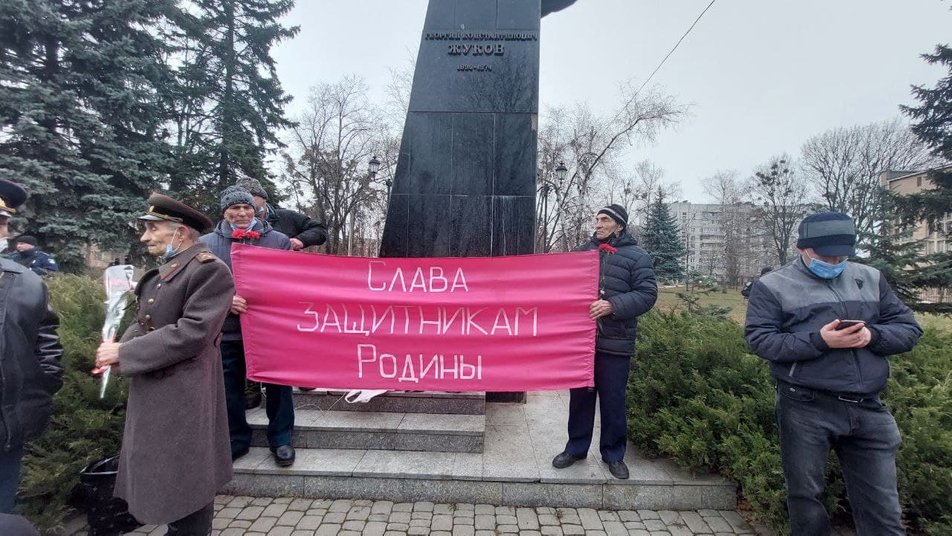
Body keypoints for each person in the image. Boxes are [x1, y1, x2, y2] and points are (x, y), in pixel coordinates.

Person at [745, 212, 923, 535]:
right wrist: (820, 341)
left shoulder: (870, 278)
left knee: (884, 512)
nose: (834, 261)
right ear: (803, 249)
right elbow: (761, 340)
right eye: (825, 255)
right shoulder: (772, 286)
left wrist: (873, 336)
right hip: (805, 406)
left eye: (841, 254)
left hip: (868, 408)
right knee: (805, 501)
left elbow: (909, 329)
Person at [93, 193, 233, 535]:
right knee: (166, 471)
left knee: (187, 475)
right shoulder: (164, 273)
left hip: (184, 395)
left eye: (153, 228)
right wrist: (116, 348)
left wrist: (125, 355)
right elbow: (146, 322)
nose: (145, 236)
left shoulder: (208, 271)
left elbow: (193, 332)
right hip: (156, 388)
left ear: (180, 232)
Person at [551, 204, 658, 480]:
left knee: (613, 400)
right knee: (580, 399)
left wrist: (613, 305)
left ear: (619, 225)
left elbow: (647, 294)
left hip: (616, 342)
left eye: (605, 219)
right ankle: (575, 448)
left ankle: (613, 454)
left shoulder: (637, 257)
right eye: (597, 219)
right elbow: (560, 287)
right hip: (581, 343)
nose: (598, 224)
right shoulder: (581, 253)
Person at [200, 186, 296, 466]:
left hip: (270, 329)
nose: (241, 213)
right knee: (230, 387)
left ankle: (281, 439)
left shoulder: (278, 241)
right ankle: (235, 440)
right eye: (235, 208)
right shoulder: (206, 244)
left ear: (256, 209)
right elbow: (199, 286)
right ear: (224, 211)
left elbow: (289, 280)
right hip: (229, 328)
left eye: (246, 208)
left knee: (279, 386)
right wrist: (225, 301)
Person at [0, 179, 63, 514]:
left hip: (6, 423)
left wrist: (40, 389)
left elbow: (46, 341)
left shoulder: (27, 281)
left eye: (1, 222)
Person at [236, 175, 327, 251]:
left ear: (263, 198)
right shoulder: (232, 223)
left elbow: (320, 230)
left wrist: (301, 240)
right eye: (241, 200)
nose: (247, 202)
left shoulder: (287, 217)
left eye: (251, 196)